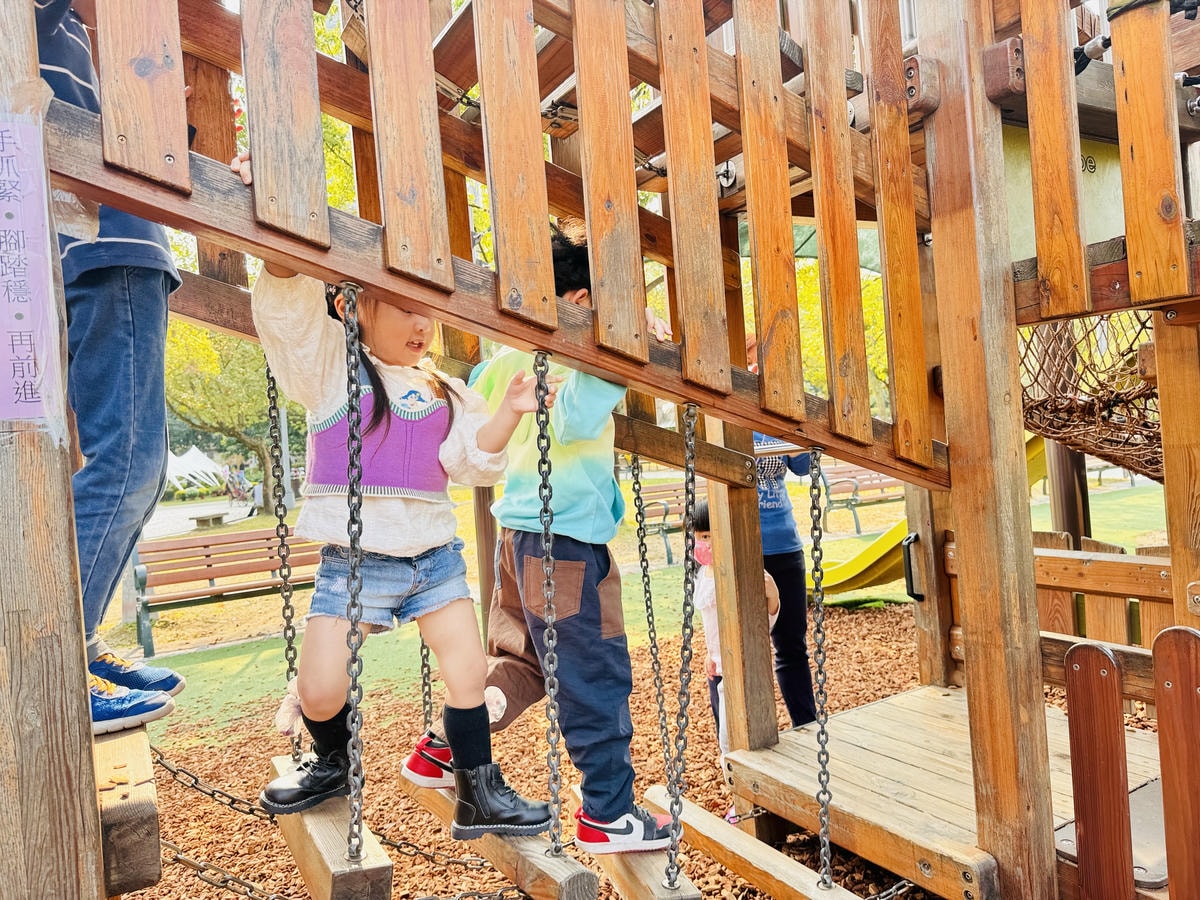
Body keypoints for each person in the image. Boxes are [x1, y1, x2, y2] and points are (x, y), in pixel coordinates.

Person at [235, 142, 553, 837]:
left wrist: (507, 413)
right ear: (353, 308)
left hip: (433, 557)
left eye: (427, 312)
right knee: (321, 687)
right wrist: (276, 224)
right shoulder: (330, 370)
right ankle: (332, 763)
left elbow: (471, 461)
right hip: (356, 561)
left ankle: (479, 790)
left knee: (469, 674)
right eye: (403, 309)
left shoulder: (442, 387)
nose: (420, 325)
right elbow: (288, 309)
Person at [402, 221, 678, 854]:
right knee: (594, 668)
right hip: (565, 544)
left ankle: (449, 747)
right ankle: (609, 809)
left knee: (519, 659)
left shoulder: (503, 362)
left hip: (517, 536)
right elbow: (578, 414)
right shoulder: (569, 366)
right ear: (581, 306)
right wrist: (622, 353)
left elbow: (483, 404)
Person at [36, 0, 185, 735]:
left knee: (138, 463)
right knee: (127, 461)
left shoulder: (71, 35)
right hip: (105, 245)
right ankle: (61, 662)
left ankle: (78, 642)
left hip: (108, 240)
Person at [746, 333, 817, 726]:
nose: (755, 356)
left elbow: (804, 465)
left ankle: (805, 724)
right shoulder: (722, 402)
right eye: (750, 347)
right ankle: (744, 733)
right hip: (741, 544)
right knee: (737, 647)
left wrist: (783, 415)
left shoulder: (773, 404)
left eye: (759, 348)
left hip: (782, 540)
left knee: (790, 643)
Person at [692, 499, 780, 758]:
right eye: (698, 536)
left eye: (707, 535)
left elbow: (762, 622)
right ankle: (735, 787)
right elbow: (710, 620)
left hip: (738, 667)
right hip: (717, 668)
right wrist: (710, 653)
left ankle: (745, 789)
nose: (702, 543)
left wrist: (772, 596)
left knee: (734, 739)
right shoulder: (703, 573)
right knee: (723, 729)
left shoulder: (740, 569)